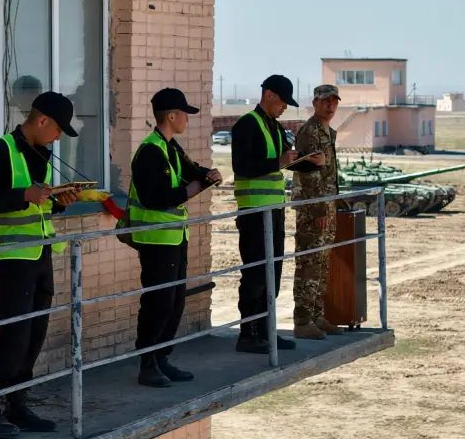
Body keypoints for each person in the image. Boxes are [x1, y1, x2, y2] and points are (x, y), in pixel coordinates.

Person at [0, 92, 81, 439]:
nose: (59, 137)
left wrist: (58, 203)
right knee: (15, 334)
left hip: (41, 254)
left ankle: (16, 404)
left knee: (35, 334)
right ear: (42, 120)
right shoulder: (0, 150)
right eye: (58, 129)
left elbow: (38, 209)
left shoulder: (40, 155)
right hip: (11, 258)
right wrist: (23, 196)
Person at [128, 88, 221, 387]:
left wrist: (207, 174)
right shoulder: (150, 150)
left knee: (175, 301)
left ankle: (162, 357)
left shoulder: (170, 147)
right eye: (184, 114)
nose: (187, 120)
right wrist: (188, 191)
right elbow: (153, 196)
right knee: (158, 301)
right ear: (171, 116)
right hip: (155, 240)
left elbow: (190, 171)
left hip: (174, 237)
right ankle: (148, 362)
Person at [231, 75, 324, 354]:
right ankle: (249, 334)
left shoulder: (274, 125)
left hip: (273, 212)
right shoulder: (247, 124)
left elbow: (286, 161)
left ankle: (267, 331)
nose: (285, 107)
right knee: (256, 274)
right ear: (269, 94)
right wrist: (280, 161)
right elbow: (242, 165)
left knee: (273, 272)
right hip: (253, 212)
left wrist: (311, 163)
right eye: (283, 101)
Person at [293, 84, 345, 339]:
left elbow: (328, 174)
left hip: (327, 205)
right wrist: (318, 210)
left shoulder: (328, 132)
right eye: (325, 101)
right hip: (313, 209)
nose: (330, 106)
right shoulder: (309, 132)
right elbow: (309, 174)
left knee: (322, 263)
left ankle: (315, 315)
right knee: (309, 263)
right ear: (314, 103)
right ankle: (302, 320)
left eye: (334, 101)